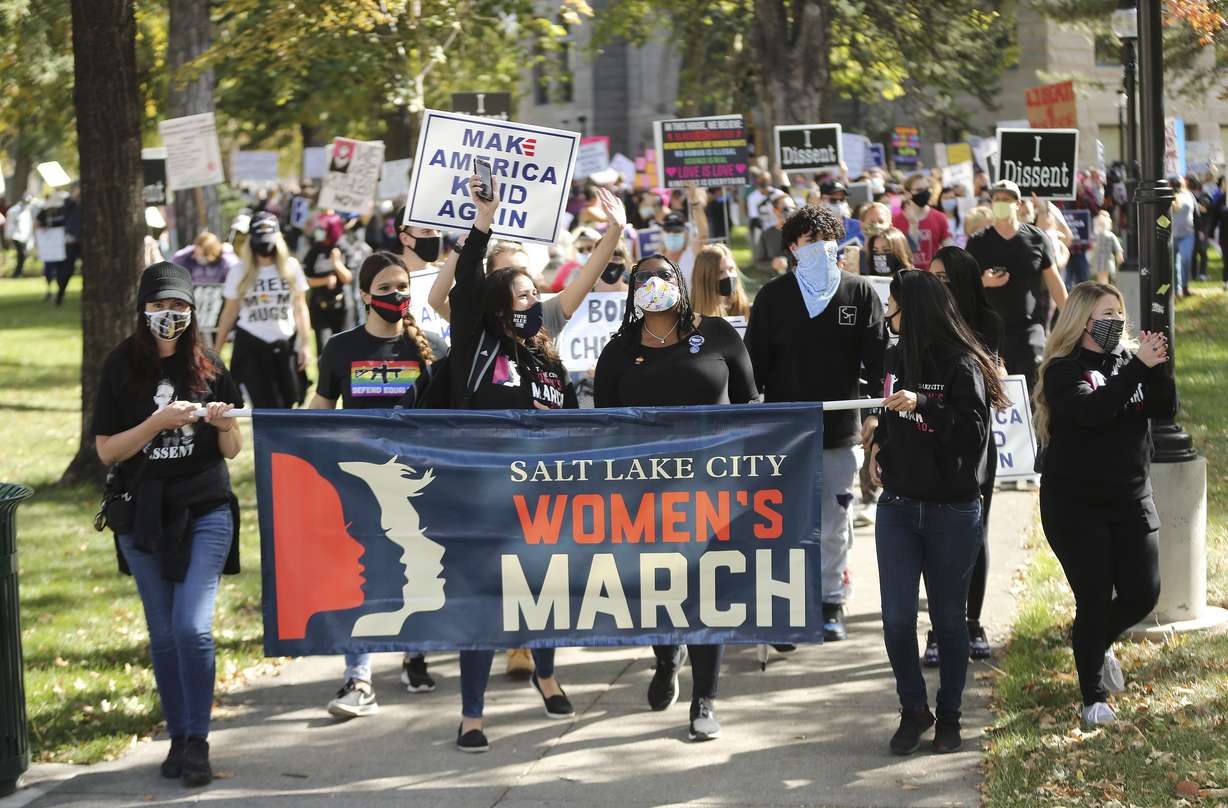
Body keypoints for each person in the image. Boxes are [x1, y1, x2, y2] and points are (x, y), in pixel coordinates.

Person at [594, 252, 759, 742]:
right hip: (646, 495)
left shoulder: (718, 334)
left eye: (662, 275)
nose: (653, 283)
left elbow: (750, 402)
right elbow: (604, 426)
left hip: (715, 488)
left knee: (708, 591)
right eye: (642, 277)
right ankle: (667, 657)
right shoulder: (620, 349)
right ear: (632, 291)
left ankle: (704, 698)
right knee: (659, 591)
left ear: (680, 284)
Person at [92, 261, 244, 787]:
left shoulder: (209, 366)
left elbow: (232, 448)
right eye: (159, 305)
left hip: (206, 508)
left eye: (179, 305)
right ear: (142, 309)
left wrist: (224, 424)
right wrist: (157, 422)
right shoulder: (120, 367)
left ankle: (198, 740)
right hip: (141, 514)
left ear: (191, 310)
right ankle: (178, 735)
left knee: (190, 627)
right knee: (162, 633)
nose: (169, 314)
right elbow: (108, 449)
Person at [442, 174, 578, 752]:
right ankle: (472, 714)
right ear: (498, 305)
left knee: (540, 592)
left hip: (541, 499)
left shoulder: (550, 362)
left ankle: (546, 674)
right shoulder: (476, 341)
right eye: (523, 296)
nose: (533, 302)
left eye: (534, 295)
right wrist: (482, 221)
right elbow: (467, 285)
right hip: (480, 496)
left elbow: (571, 425)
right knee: (481, 600)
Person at [866, 269, 1008, 755]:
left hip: (952, 510)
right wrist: (877, 448)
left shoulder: (962, 363)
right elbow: (886, 414)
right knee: (897, 619)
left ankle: (950, 714)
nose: (887, 313)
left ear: (914, 309)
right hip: (899, 508)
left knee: (949, 621)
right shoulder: (892, 356)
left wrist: (924, 402)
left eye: (893, 305)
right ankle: (913, 709)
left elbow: (973, 435)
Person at [1032, 282, 1173, 727]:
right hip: (1076, 504)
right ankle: (1092, 695)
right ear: (1082, 320)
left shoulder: (1131, 361)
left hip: (1131, 496)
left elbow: (1166, 407)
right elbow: (1092, 412)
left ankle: (1095, 644)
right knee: (1094, 598)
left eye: (1119, 314)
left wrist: (1158, 367)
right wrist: (1136, 368)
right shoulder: (1062, 369)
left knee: (1141, 594)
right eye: (1104, 315)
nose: (1115, 322)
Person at [745, 205, 888, 642]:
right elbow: (753, 370)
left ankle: (830, 602)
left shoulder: (860, 293)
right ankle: (787, 605)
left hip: (840, 431)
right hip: (785, 435)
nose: (821, 248)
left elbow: (881, 362)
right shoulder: (773, 297)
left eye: (828, 239)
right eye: (810, 240)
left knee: (833, 523)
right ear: (792, 247)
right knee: (785, 524)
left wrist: (877, 416)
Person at [308, 251, 438, 716]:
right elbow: (320, 413)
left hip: (416, 483)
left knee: (416, 569)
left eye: (403, 287)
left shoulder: (430, 348)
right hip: (360, 483)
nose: (397, 296)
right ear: (364, 296)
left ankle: (415, 652)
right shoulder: (341, 348)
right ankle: (358, 678)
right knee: (364, 576)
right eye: (385, 290)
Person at [921, 247, 1006, 667]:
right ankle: (939, 626)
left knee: (974, 531)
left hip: (972, 443)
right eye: (931, 276)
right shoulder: (921, 324)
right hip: (928, 437)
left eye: (944, 278)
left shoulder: (986, 323)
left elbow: (989, 386)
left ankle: (972, 622)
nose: (936, 284)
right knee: (934, 536)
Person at [967, 180, 1068, 391]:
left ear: (1018, 204)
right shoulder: (977, 242)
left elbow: (1054, 282)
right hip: (989, 331)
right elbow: (964, 285)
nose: (1001, 203)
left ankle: (1034, 424)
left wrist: (1071, 318)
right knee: (994, 391)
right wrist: (983, 281)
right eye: (996, 199)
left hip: (1029, 329)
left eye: (1006, 200)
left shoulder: (1037, 238)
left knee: (1032, 387)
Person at [213, 212, 312, 408]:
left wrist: (305, 345)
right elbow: (229, 312)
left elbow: (300, 307)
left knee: (289, 404)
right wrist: (217, 350)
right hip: (252, 345)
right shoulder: (239, 270)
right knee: (263, 408)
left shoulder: (291, 267)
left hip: (285, 344)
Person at [893, 174, 950, 269]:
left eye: (927, 189)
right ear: (907, 193)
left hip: (933, 276)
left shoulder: (939, 217)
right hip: (907, 276)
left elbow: (948, 247)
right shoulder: (896, 220)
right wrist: (913, 225)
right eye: (919, 190)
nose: (925, 193)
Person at [690, 243, 750, 319]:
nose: (728, 276)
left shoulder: (744, 309)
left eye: (731, 269)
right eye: (720, 272)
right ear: (705, 278)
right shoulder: (690, 318)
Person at [171, 232, 240, 286]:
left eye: (202, 255)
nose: (198, 257)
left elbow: (235, 272)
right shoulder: (188, 258)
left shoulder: (224, 260)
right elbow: (175, 262)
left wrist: (227, 253)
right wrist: (189, 251)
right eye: (196, 254)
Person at [752, 192, 796, 275]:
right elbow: (758, 262)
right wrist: (772, 264)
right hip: (778, 281)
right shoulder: (767, 234)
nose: (790, 212)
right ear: (776, 211)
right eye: (786, 209)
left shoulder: (802, 232)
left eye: (793, 208)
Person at [1170, 176, 1197, 297]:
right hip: (1172, 235)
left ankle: (1185, 286)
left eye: (1180, 182)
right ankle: (1177, 290)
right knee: (1174, 264)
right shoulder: (1169, 197)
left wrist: (1202, 230)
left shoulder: (1189, 195)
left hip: (1188, 234)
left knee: (1185, 259)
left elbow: (1196, 213)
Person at [1089, 211, 1124, 285]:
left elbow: (1118, 250)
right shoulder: (1107, 236)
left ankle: (1103, 291)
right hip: (1103, 261)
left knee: (1102, 279)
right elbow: (1118, 250)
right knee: (1103, 279)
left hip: (1102, 261)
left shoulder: (1098, 236)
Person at [4, 194, 33, 278]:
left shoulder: (27, 210)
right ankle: (17, 273)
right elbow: (9, 224)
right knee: (22, 254)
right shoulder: (14, 210)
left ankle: (18, 272)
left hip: (24, 236)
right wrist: (8, 236)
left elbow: (28, 225)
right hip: (16, 236)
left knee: (22, 255)